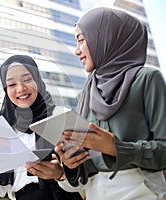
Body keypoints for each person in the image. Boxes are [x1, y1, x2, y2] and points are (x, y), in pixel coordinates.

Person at [53, 7, 166, 200]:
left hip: (144, 192)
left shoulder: (147, 79)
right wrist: (70, 163)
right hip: (96, 193)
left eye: (81, 40)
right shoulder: (86, 94)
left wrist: (117, 148)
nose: (76, 50)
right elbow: (91, 165)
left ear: (105, 38)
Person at [0, 55, 83, 200]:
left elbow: (87, 177)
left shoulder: (62, 117)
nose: (21, 88)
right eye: (12, 84)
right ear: (5, 89)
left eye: (27, 80)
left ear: (38, 80)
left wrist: (61, 174)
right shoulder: (3, 131)